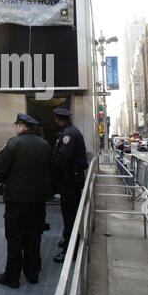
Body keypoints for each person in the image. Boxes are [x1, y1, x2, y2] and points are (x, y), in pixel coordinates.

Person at [0, 113, 55, 289]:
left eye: (16, 126)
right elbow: (53, 170)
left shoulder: (13, 143)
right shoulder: (45, 145)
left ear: (21, 126)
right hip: (38, 200)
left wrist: (7, 180)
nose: (16, 129)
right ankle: (32, 274)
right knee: (34, 235)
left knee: (14, 237)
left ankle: (12, 277)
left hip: (17, 199)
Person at [52, 108, 88, 263]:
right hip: (71, 179)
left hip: (70, 180)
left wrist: (53, 172)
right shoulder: (71, 131)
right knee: (69, 213)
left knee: (70, 215)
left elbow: (63, 158)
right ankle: (69, 240)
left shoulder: (68, 134)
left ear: (58, 119)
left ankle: (70, 250)